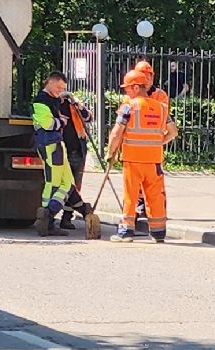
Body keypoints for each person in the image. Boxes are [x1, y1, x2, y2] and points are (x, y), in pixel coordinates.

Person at [107, 61, 176, 241]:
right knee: (155, 196)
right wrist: (158, 142)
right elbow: (173, 131)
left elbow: (116, 133)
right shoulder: (161, 107)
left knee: (130, 195)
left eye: (128, 88)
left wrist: (110, 152)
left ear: (137, 87)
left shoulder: (129, 106)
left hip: (133, 160)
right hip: (154, 161)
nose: (126, 91)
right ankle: (158, 233)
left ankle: (126, 232)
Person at [29, 73, 93, 236]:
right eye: (58, 87)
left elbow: (88, 117)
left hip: (59, 144)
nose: (61, 91)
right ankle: (47, 218)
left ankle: (70, 212)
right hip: (50, 144)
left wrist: (74, 101)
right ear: (49, 83)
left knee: (67, 184)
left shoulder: (59, 100)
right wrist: (62, 121)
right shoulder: (41, 101)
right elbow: (49, 124)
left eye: (63, 89)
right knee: (54, 183)